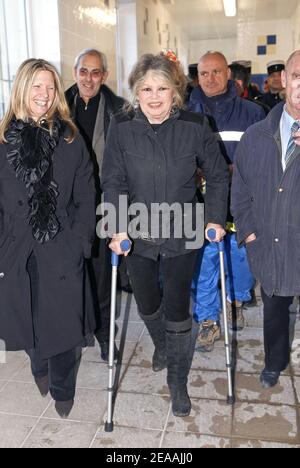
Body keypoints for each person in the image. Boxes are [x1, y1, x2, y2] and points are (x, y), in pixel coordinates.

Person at [102, 52, 229, 417]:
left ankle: (178, 378)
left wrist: (216, 218)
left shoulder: (195, 124)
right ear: (136, 92)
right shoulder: (121, 126)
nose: (154, 96)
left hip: (183, 228)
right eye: (146, 88)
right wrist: (115, 225)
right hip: (137, 229)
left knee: (176, 306)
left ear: (175, 91)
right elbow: (113, 179)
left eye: (162, 88)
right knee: (145, 301)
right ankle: (161, 344)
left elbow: (218, 175)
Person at [0, 58, 96, 417]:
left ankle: (62, 387)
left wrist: (79, 241)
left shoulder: (70, 138)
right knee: (28, 317)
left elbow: (87, 194)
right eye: (36, 86)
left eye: (50, 87)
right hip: (16, 248)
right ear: (22, 89)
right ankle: (38, 363)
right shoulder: (1, 139)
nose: (44, 95)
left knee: (65, 324)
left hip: (60, 244)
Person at [231, 49, 300, 389]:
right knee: (275, 308)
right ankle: (276, 360)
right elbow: (240, 190)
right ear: (285, 81)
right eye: (298, 76)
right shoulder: (256, 135)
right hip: (270, 243)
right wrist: (250, 235)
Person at [189, 51, 265, 353]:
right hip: (200, 201)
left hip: (241, 198)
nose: (210, 78)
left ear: (229, 75)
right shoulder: (184, 111)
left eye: (217, 72)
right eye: (204, 73)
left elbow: (262, 157)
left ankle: (235, 298)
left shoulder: (252, 113)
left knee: (239, 255)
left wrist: (236, 170)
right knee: (205, 259)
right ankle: (207, 318)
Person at [66, 48, 131, 363]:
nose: (88, 79)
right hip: (68, 206)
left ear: (104, 75)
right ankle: (78, 332)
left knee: (104, 275)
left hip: (106, 201)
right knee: (72, 270)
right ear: (75, 72)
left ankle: (106, 336)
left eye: (95, 72)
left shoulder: (119, 110)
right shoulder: (59, 106)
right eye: (83, 71)